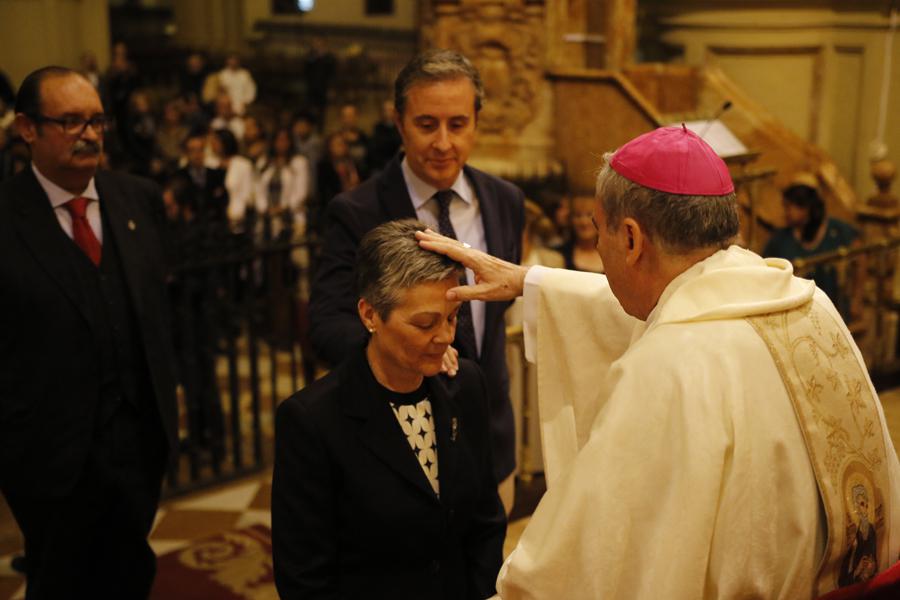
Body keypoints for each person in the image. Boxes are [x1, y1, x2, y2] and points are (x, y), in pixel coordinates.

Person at [417, 126, 900, 599]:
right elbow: (669, 308)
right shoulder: (806, 304)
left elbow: (590, 568)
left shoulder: (669, 365)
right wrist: (532, 282)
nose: (599, 249)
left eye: (598, 230)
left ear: (630, 238)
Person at [309, 49, 525, 512]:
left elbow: (495, 312)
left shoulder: (505, 200)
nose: (443, 142)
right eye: (427, 125)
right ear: (399, 121)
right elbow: (327, 325)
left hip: (489, 442)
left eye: (458, 124)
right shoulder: (357, 211)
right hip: (394, 448)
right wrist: (406, 354)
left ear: (476, 121)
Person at [0, 66, 177, 598]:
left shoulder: (137, 199)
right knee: (62, 582)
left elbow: (159, 313)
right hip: (50, 458)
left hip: (138, 444)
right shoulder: (7, 216)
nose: (90, 134)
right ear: (27, 128)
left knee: (130, 571)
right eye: (71, 121)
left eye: (97, 121)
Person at [273, 219, 506, 599]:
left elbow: (485, 521)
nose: (445, 336)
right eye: (425, 323)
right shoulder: (312, 420)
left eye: (451, 318)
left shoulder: (465, 384)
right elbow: (304, 577)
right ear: (369, 315)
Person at [763, 173, 860, 320]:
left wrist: (856, 299)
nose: (786, 212)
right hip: (796, 314)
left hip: (833, 310)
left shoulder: (837, 231)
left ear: (807, 207)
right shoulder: (780, 239)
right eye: (785, 207)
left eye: (790, 207)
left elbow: (860, 255)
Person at [555, 194, 605, 273]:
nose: (584, 222)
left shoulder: (613, 255)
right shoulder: (557, 254)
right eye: (578, 216)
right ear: (570, 219)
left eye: (589, 215)